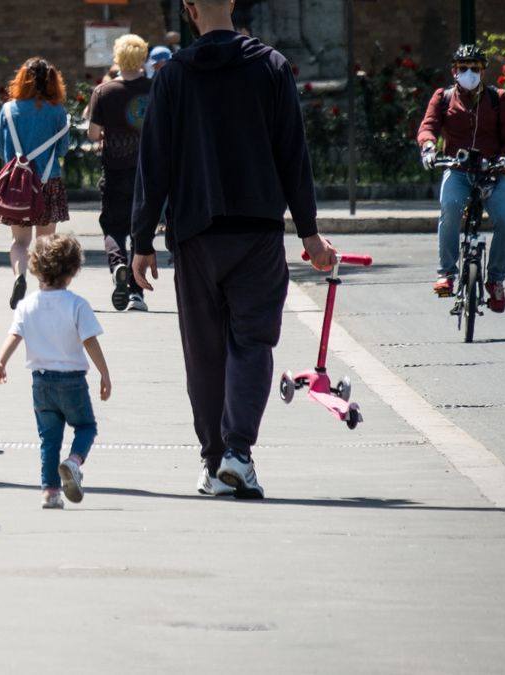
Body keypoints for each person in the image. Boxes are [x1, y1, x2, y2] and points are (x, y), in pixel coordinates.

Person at [131, 0, 337, 499]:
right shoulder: (270, 66)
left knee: (203, 353)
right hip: (258, 231)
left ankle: (212, 461)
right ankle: (238, 454)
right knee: (252, 342)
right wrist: (308, 232)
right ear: (233, 2)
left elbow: (153, 161)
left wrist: (139, 243)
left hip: (196, 234)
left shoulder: (174, 75)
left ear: (189, 9)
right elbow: (293, 152)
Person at [0, 234, 111, 509]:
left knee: (49, 440)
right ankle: (74, 461)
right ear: (73, 271)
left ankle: (50, 492)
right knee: (86, 426)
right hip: (73, 382)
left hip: (41, 382)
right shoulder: (77, 304)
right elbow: (90, 340)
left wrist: (0, 362)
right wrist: (104, 374)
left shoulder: (27, 305)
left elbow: (14, 335)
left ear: (35, 267)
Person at [417, 44, 505, 313]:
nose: (469, 73)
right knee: (450, 207)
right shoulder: (443, 97)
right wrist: (428, 147)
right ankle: (446, 273)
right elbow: (428, 126)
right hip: (458, 170)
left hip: (493, 172)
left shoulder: (499, 99)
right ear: (454, 71)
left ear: (483, 72)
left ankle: (495, 280)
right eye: (463, 68)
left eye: (475, 68)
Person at [0, 57, 71, 309]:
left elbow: (0, 148)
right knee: (45, 242)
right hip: (48, 182)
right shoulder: (57, 111)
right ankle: (45, 291)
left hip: (19, 186)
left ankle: (19, 276)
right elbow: (62, 149)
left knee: (20, 242)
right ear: (52, 81)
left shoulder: (8, 110)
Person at [88, 33, 152, 311]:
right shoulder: (156, 88)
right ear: (143, 57)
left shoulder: (103, 92)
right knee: (142, 229)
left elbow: (93, 134)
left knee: (113, 226)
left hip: (114, 170)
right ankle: (137, 293)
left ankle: (118, 266)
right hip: (148, 172)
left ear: (117, 57)